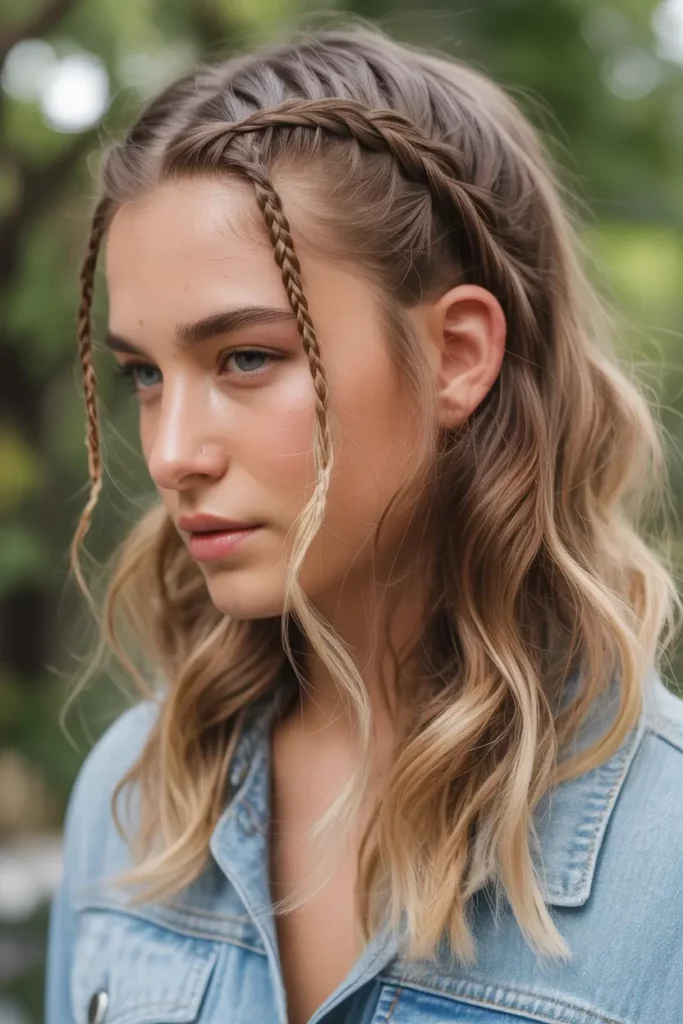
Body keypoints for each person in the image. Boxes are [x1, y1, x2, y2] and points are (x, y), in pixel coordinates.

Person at [45, 19, 683, 1024]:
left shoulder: (666, 859)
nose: (171, 452)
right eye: (143, 375)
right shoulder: (131, 800)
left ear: (457, 355)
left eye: (246, 357)